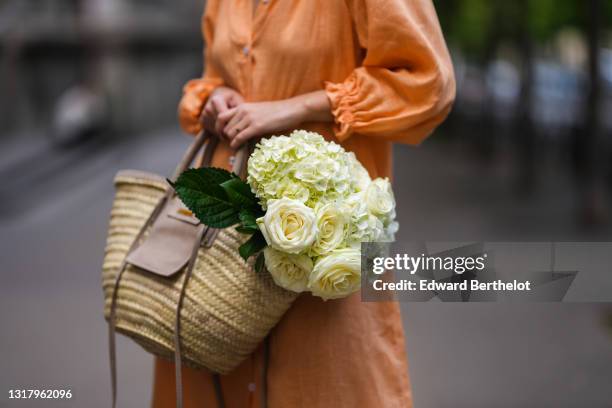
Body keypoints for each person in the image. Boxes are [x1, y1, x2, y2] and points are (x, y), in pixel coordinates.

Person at [153, 0, 455, 406]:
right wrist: (215, 98)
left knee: (328, 381)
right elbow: (213, 76)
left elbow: (428, 83)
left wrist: (299, 107)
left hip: (324, 242)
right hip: (218, 251)